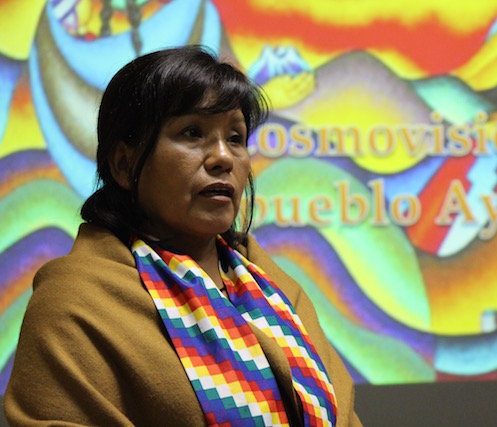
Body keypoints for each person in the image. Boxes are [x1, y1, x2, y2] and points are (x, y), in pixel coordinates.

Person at [4, 45, 361, 427]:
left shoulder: (279, 290)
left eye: (236, 137)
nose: (223, 157)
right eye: (193, 133)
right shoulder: (75, 304)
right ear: (124, 165)